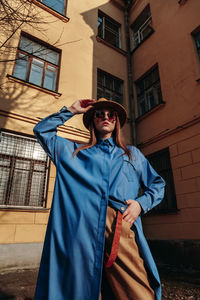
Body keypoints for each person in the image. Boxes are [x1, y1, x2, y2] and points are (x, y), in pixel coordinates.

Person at [33, 98, 165, 300]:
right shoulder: (73, 152)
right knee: (83, 291)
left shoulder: (132, 155)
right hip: (81, 233)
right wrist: (71, 110)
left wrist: (141, 203)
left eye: (110, 114)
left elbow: (157, 184)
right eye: (99, 114)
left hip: (119, 229)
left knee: (138, 293)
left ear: (116, 122)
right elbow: (42, 131)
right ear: (92, 121)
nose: (105, 117)